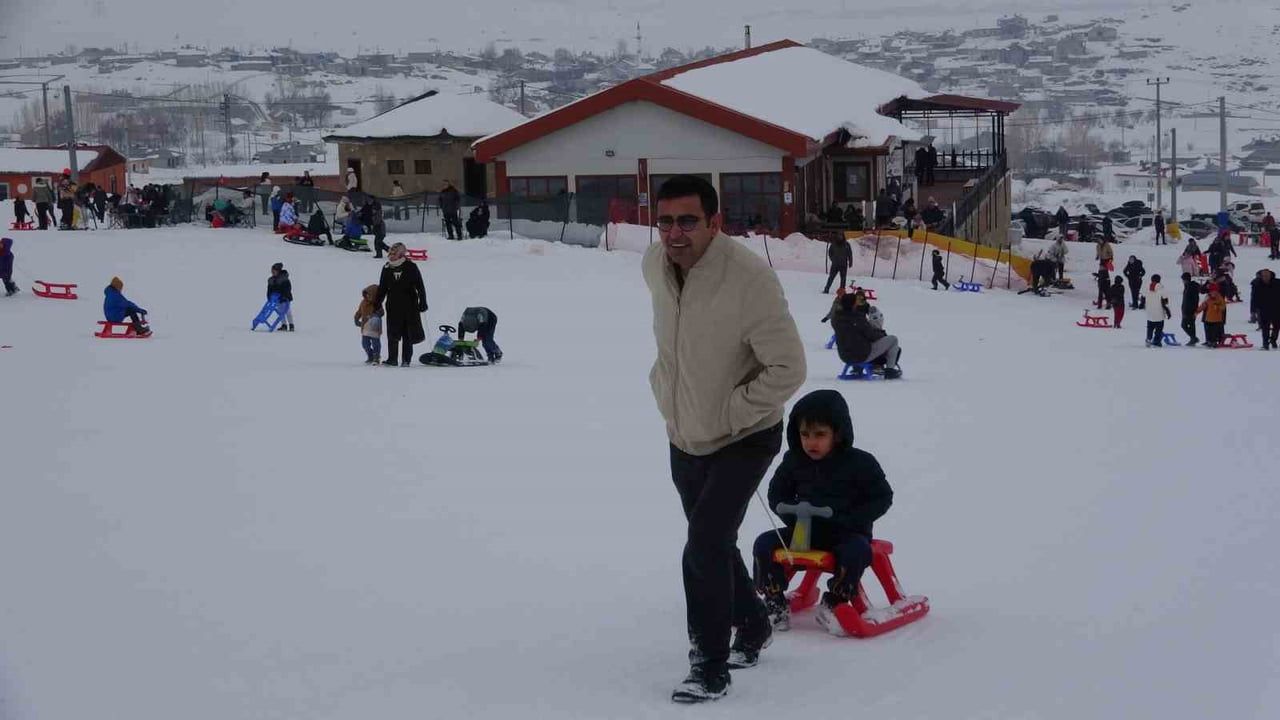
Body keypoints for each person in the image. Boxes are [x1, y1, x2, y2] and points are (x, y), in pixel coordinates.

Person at [641, 175, 805, 703]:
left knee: (704, 544)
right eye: (664, 220)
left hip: (745, 434)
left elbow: (788, 367)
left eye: (687, 220)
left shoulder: (749, 279)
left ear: (716, 223)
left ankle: (709, 664)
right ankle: (752, 624)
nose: (673, 232)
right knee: (712, 539)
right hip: (684, 430)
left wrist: (733, 410)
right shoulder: (654, 266)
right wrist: (666, 391)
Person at [751, 389, 893, 635]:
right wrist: (791, 515)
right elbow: (777, 494)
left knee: (856, 551)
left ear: (837, 434)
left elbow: (882, 497)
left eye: (819, 435)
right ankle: (774, 600)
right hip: (802, 533)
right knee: (764, 543)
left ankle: (835, 602)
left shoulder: (860, 463)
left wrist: (851, 519)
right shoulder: (794, 461)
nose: (810, 442)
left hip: (845, 533)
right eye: (804, 434)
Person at [375, 242, 428, 367]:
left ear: (401, 254)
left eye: (394, 253)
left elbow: (420, 286)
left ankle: (406, 360)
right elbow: (382, 288)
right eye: (390, 253)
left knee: (407, 334)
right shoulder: (387, 268)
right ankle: (392, 359)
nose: (391, 255)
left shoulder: (411, 267)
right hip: (393, 306)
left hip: (410, 305)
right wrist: (377, 303)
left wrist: (423, 302)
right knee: (392, 333)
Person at [831, 290, 903, 377]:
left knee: (855, 341)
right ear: (853, 305)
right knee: (893, 339)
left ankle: (857, 368)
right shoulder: (858, 318)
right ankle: (890, 370)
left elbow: (851, 334)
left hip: (844, 355)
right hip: (862, 355)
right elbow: (871, 335)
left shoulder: (836, 319)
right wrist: (882, 335)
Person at [353, 284, 384, 364]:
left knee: (375, 343)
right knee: (365, 344)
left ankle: (376, 357)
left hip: (374, 328)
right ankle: (370, 356)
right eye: (366, 294)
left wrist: (376, 314)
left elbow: (382, 313)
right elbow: (359, 311)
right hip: (365, 327)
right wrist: (356, 318)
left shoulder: (377, 304)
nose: (367, 296)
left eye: (369, 295)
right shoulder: (363, 302)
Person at [1143, 273, 1172, 347]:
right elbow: (1165, 301)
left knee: (1150, 327)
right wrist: (1168, 312)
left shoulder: (1146, 288)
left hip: (1150, 312)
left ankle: (1148, 339)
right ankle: (1157, 341)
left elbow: (1142, 297)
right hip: (1159, 313)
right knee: (1159, 328)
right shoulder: (1162, 289)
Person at [1256, 269, 1280, 350]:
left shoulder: (1277, 283)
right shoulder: (1258, 284)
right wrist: (1254, 309)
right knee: (1265, 328)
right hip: (1264, 310)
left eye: (1267, 275)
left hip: (1277, 309)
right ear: (1261, 276)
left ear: (1270, 275)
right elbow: (1254, 297)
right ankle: (1265, 344)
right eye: (1264, 276)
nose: (1265, 277)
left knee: (1276, 327)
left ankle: (1273, 340)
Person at [1198, 282, 1228, 347]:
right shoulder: (1208, 298)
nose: (1213, 293)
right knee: (1209, 331)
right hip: (1208, 319)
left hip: (1217, 319)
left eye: (1215, 292)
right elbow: (1203, 306)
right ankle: (1209, 341)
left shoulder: (1219, 298)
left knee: (1214, 332)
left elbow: (1223, 306)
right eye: (1212, 291)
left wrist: (1217, 307)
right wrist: (1197, 312)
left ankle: (1214, 341)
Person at [267, 262, 294, 332]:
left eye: (274, 271)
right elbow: (269, 290)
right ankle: (284, 325)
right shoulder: (272, 280)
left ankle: (291, 325)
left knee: (287, 311)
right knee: (280, 311)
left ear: (278, 271)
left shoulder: (284, 279)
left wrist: (284, 296)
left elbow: (287, 289)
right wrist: (269, 297)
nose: (272, 272)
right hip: (277, 299)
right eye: (272, 271)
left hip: (285, 298)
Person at [1180, 272, 1203, 346]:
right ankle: (1193, 339)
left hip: (1189, 310)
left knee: (1184, 325)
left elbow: (1190, 300)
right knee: (1191, 325)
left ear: (1185, 279)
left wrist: (1187, 310)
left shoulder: (1190, 287)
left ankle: (1193, 338)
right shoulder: (1188, 286)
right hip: (1189, 309)